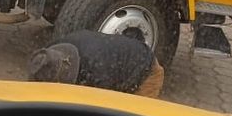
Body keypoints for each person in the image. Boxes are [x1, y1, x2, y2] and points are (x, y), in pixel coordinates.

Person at [28, 29, 165, 98]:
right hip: (117, 55)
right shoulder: (52, 51)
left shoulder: (98, 75)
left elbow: (99, 111)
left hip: (146, 71)